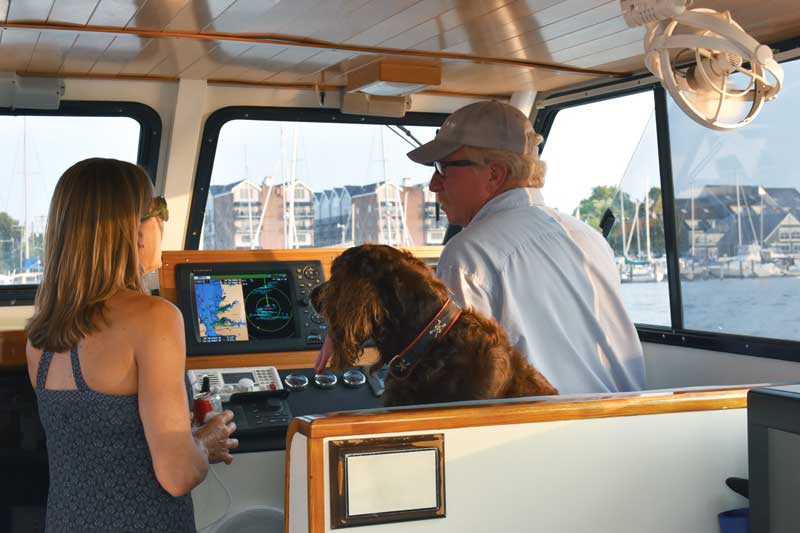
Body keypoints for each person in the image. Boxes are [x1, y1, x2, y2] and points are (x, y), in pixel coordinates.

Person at [25, 158, 238, 532]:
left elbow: (100, 450)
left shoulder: (39, 335)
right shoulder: (154, 318)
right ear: (136, 230)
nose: (162, 225)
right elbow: (178, 474)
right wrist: (205, 442)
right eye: (160, 211)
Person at [407, 101, 645, 394]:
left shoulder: (468, 255)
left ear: (494, 174)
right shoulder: (587, 237)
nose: (434, 184)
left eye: (444, 168)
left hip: (539, 432)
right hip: (627, 423)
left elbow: (462, 383)